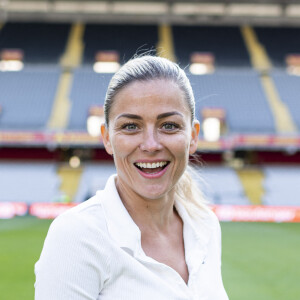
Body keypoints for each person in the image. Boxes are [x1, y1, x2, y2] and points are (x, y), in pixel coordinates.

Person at [35, 55, 228, 300]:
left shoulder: (205, 224)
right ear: (107, 138)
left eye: (169, 125)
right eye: (130, 126)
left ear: (193, 136)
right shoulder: (77, 235)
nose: (150, 144)